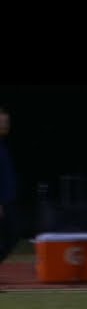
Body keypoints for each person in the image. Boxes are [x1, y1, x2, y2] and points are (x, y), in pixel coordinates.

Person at [0, 106, 17, 267]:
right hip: (2, 202)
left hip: (8, 200)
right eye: (2, 122)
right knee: (8, 238)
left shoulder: (3, 145)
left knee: (11, 238)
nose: (6, 125)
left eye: (7, 122)